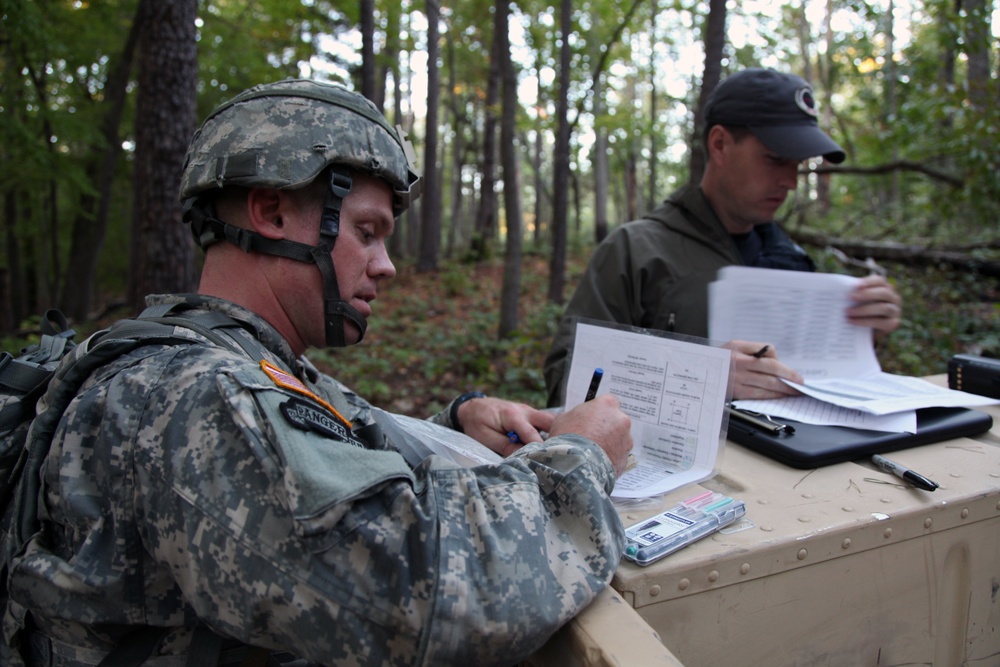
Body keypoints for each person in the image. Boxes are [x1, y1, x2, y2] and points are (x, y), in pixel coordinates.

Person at [2, 80, 634, 666]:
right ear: (272, 213)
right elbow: (432, 594)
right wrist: (581, 457)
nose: (385, 266)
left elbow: (325, 459)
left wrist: (458, 423)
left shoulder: (232, 356)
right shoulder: (199, 395)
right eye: (367, 231)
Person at [544, 67, 902, 407]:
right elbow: (567, 388)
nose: (791, 181)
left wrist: (859, 334)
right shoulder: (637, 252)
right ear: (719, 145)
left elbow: (808, 380)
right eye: (776, 159)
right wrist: (701, 377)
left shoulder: (789, 258)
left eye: (798, 165)